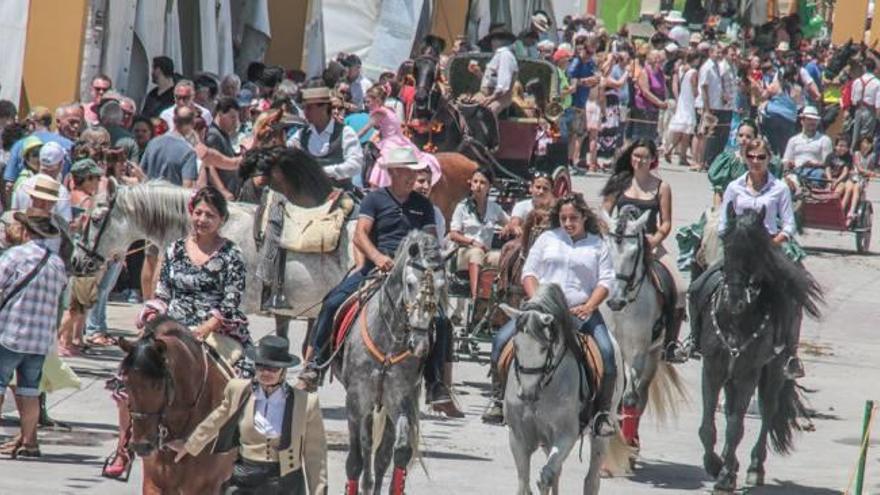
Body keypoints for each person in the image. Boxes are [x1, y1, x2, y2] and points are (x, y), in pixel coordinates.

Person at [298, 147, 436, 390]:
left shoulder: (423, 205)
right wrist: (379, 257)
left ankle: (437, 384)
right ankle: (315, 365)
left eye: (414, 171)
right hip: (375, 268)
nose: (412, 176)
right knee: (332, 303)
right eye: (407, 171)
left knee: (442, 321)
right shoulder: (375, 199)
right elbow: (361, 235)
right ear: (393, 172)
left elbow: (430, 239)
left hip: (412, 272)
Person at [482, 194, 618, 436]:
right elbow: (530, 272)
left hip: (581, 311)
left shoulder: (599, 244)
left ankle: (602, 414)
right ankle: (497, 399)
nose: (568, 223)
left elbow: (606, 280)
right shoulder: (547, 239)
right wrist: (535, 300)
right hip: (542, 309)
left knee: (607, 354)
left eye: (573, 218)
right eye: (564, 218)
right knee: (500, 340)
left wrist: (589, 306)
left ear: (584, 217)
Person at [165, 335, 327, 495]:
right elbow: (216, 419)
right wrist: (190, 444)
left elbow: (316, 456)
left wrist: (318, 492)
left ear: (283, 370)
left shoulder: (306, 403)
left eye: (272, 368)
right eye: (261, 366)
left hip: (285, 481)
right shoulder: (238, 390)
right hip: (246, 476)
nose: (265, 372)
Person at [716, 137, 804, 379]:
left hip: (768, 249)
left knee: (792, 296)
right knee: (700, 284)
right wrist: (731, 241)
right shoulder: (734, 187)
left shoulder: (780, 188)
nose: (755, 161)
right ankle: (695, 338)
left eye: (761, 157)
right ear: (745, 157)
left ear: (769, 160)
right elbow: (724, 223)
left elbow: (788, 225)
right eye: (751, 156)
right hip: (737, 250)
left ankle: (789, 352)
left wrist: (770, 244)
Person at [601, 140, 688, 361]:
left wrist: (654, 240)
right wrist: (610, 233)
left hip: (650, 244)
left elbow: (666, 223)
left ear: (653, 159)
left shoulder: (661, 187)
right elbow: (604, 213)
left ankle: (670, 345)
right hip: (621, 245)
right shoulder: (619, 183)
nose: (640, 161)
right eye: (636, 156)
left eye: (645, 157)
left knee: (679, 289)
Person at [0, 208, 67, 459]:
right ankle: (30, 443)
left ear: (26, 231)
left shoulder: (15, 255)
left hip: (9, 333)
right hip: (39, 341)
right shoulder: (57, 263)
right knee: (29, 392)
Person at [363, 84, 441, 188]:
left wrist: (354, 136)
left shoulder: (379, 112)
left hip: (390, 143)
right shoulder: (389, 109)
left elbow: (366, 128)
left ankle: (377, 187)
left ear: (376, 100)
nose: (366, 104)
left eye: (368, 102)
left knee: (381, 162)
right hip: (399, 140)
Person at [449, 167, 509, 299]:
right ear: (470, 184)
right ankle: (475, 297)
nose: (478, 186)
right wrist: (473, 242)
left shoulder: (494, 208)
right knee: (476, 252)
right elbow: (453, 234)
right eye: (475, 182)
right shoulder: (462, 207)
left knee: (499, 257)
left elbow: (509, 223)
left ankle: (495, 297)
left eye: (483, 183)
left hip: (485, 253)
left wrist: (507, 228)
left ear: (489, 187)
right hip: (464, 252)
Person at [287, 87, 364, 189]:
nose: (305, 112)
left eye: (309, 108)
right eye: (304, 108)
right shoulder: (302, 134)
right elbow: (286, 152)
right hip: (309, 193)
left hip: (339, 193)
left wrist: (324, 172)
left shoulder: (346, 132)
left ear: (324, 108)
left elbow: (355, 165)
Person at [3, 107, 73, 200]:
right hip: (57, 197)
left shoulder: (20, 144)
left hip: (26, 197)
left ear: (31, 123)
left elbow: (9, 184)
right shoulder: (68, 144)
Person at [708, 121, 784, 205]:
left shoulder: (764, 161)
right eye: (740, 135)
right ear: (736, 137)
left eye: (748, 136)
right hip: (731, 207)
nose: (743, 139)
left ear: (755, 139)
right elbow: (719, 191)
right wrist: (717, 213)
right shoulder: (728, 160)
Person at [141, 105, 199, 187]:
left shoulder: (153, 143)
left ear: (174, 120)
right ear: (193, 123)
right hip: (173, 199)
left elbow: (141, 173)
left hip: (149, 197)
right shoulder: (188, 152)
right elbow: (187, 187)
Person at [468, 30, 519, 116]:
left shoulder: (505, 55)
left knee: (485, 114)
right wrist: (479, 73)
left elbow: (503, 83)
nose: (492, 42)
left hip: (500, 98)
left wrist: (491, 98)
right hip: (487, 94)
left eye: (494, 39)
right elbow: (492, 80)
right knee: (467, 108)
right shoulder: (499, 55)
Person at [782, 105, 833, 185]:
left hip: (816, 172)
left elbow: (828, 163)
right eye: (809, 119)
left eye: (814, 120)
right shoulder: (793, 140)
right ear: (802, 121)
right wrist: (787, 171)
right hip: (796, 172)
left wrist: (813, 164)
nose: (812, 122)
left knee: (818, 176)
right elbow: (786, 160)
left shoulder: (825, 140)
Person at [665, 51, 700, 167]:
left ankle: (677, 153)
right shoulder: (693, 72)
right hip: (689, 101)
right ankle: (681, 155)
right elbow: (694, 89)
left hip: (682, 100)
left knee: (682, 130)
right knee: (686, 132)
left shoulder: (681, 70)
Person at [205, 96, 242, 199]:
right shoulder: (213, 136)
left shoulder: (223, 134)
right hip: (219, 196)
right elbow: (209, 165)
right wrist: (222, 190)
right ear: (220, 114)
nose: (235, 122)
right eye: (232, 117)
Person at [627, 49, 668, 143]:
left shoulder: (660, 72)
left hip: (655, 109)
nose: (659, 59)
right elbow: (645, 92)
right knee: (641, 135)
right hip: (643, 108)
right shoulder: (644, 72)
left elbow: (662, 88)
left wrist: (664, 101)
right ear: (650, 59)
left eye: (660, 58)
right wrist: (659, 103)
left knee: (651, 135)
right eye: (656, 57)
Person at [506, 171, 556, 238]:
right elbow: (515, 222)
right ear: (531, 188)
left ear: (552, 191)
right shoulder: (521, 206)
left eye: (545, 189)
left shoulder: (556, 209)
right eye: (538, 187)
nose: (541, 191)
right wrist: (515, 227)